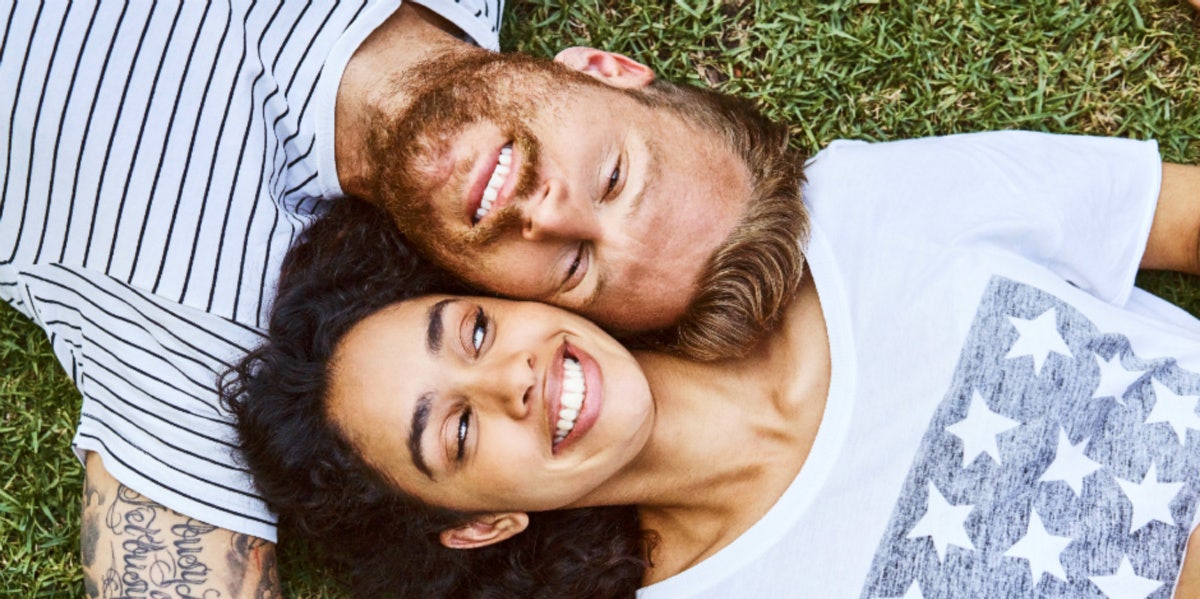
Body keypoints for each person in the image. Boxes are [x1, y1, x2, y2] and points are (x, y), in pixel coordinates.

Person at [229, 124, 1200, 597]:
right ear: (482, 522)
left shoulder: (853, 214)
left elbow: (1183, 219)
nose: (510, 378)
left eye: (474, 330)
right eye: (459, 425)